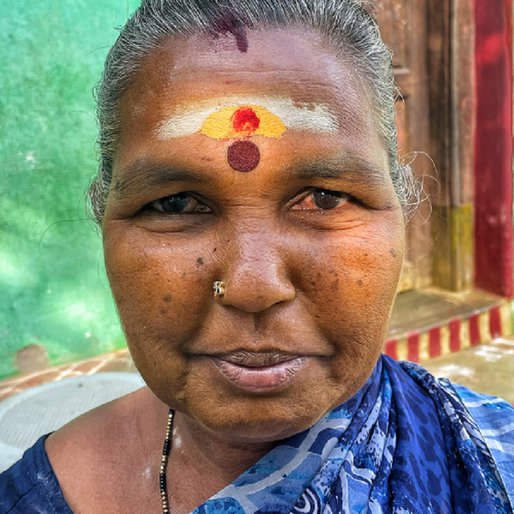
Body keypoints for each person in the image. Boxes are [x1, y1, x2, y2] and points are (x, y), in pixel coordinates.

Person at [1, 0, 513, 512]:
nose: (253, 287)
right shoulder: (33, 497)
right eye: (176, 203)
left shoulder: (491, 463)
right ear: (104, 217)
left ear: (403, 206)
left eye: (324, 198)